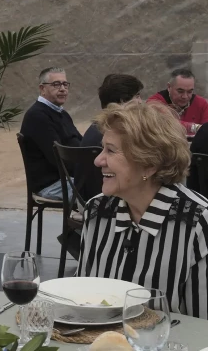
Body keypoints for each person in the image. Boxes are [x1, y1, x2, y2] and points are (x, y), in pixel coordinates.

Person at [77, 102, 208, 319]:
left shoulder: (197, 222)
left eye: (110, 150)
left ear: (149, 164)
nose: (98, 160)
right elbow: (83, 300)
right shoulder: (97, 210)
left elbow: (203, 328)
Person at [77, 74, 143, 202]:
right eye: (138, 96)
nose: (141, 101)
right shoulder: (115, 134)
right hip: (101, 202)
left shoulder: (96, 127)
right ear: (123, 100)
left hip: (82, 197)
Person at [19, 67, 82, 201]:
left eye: (65, 84)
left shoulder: (61, 113)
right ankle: (86, 220)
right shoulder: (37, 116)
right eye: (56, 84)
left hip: (68, 179)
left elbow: (81, 143)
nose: (63, 89)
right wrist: (87, 173)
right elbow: (58, 158)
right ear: (42, 89)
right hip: (52, 185)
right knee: (104, 191)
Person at [147, 68, 208, 135]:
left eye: (190, 91)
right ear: (169, 87)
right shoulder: (154, 102)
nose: (185, 96)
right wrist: (195, 128)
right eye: (180, 91)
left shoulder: (201, 104)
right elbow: (165, 124)